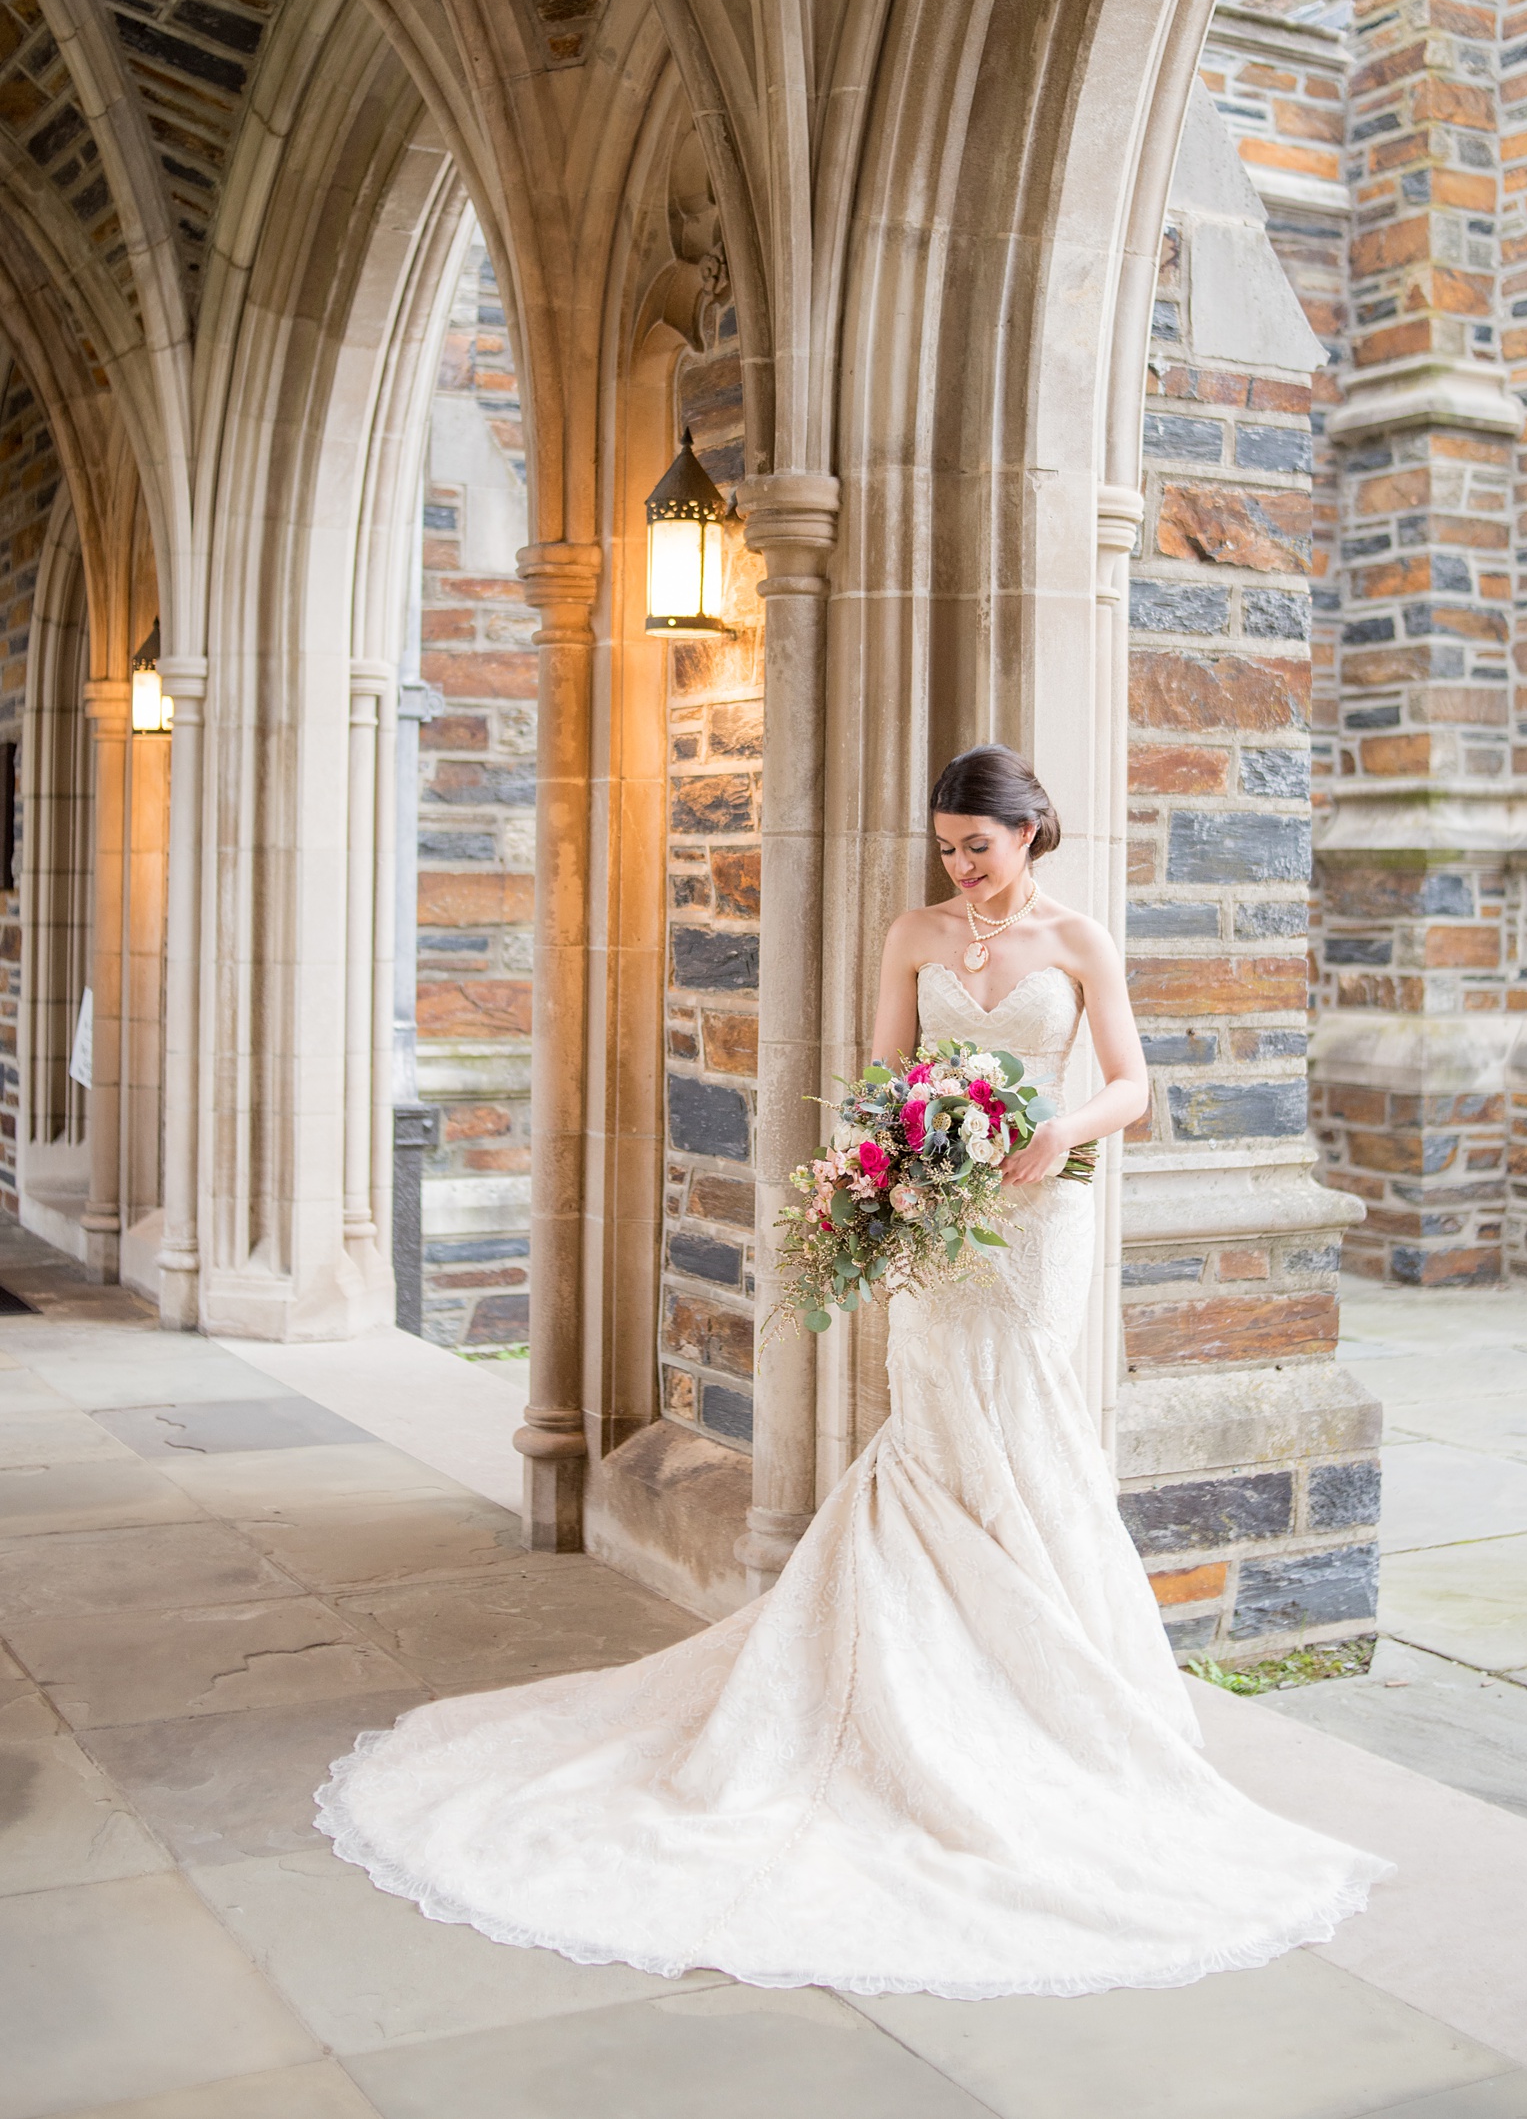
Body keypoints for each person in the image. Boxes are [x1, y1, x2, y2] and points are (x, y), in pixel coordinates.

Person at [319, 743, 1390, 1994]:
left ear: (1032, 829)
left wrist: (1057, 1125)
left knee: (1024, 1415)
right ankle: (908, 1680)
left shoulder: (1080, 941)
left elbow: (1134, 1086)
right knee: (933, 1415)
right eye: (945, 845)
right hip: (940, 1211)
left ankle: (1047, 1681)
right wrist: (892, 1169)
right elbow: (884, 1078)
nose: (959, 866)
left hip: (1041, 1214)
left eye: (976, 846)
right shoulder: (913, 934)